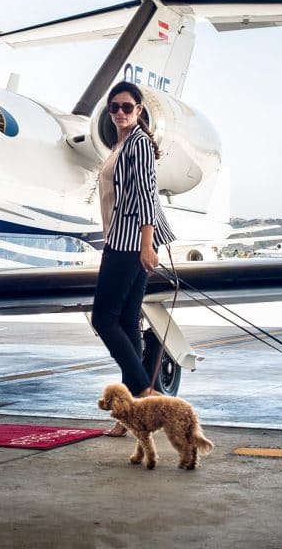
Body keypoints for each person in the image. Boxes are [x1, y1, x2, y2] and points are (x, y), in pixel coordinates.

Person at [93, 81, 176, 436]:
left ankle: (144, 393)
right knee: (126, 322)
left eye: (128, 107)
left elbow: (145, 195)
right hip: (122, 237)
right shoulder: (120, 144)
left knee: (104, 318)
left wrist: (147, 244)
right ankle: (132, 415)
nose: (121, 113)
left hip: (130, 242)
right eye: (115, 107)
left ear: (140, 110)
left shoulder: (139, 144)